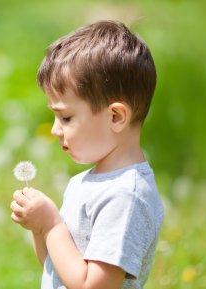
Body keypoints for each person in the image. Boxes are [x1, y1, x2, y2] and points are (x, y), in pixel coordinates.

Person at [10, 20, 164, 289]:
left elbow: (91, 286)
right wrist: (39, 228)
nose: (56, 130)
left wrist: (50, 226)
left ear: (115, 116)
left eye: (66, 117)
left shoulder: (126, 196)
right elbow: (56, 268)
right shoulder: (84, 183)